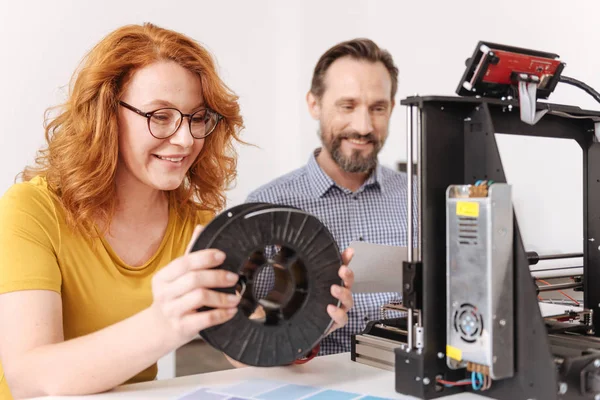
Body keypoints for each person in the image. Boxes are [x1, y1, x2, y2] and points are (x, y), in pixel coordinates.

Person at [0, 23, 354, 399]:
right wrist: (163, 324)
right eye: (160, 116)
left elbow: (245, 353)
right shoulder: (30, 211)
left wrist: (303, 322)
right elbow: (30, 378)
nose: (185, 139)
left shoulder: (198, 227)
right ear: (105, 115)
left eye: (197, 118)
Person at [247, 38, 411, 356]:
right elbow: (247, 332)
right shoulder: (266, 208)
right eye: (347, 106)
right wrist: (300, 326)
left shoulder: (419, 198)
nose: (363, 127)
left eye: (377, 108)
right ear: (314, 104)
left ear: (391, 108)